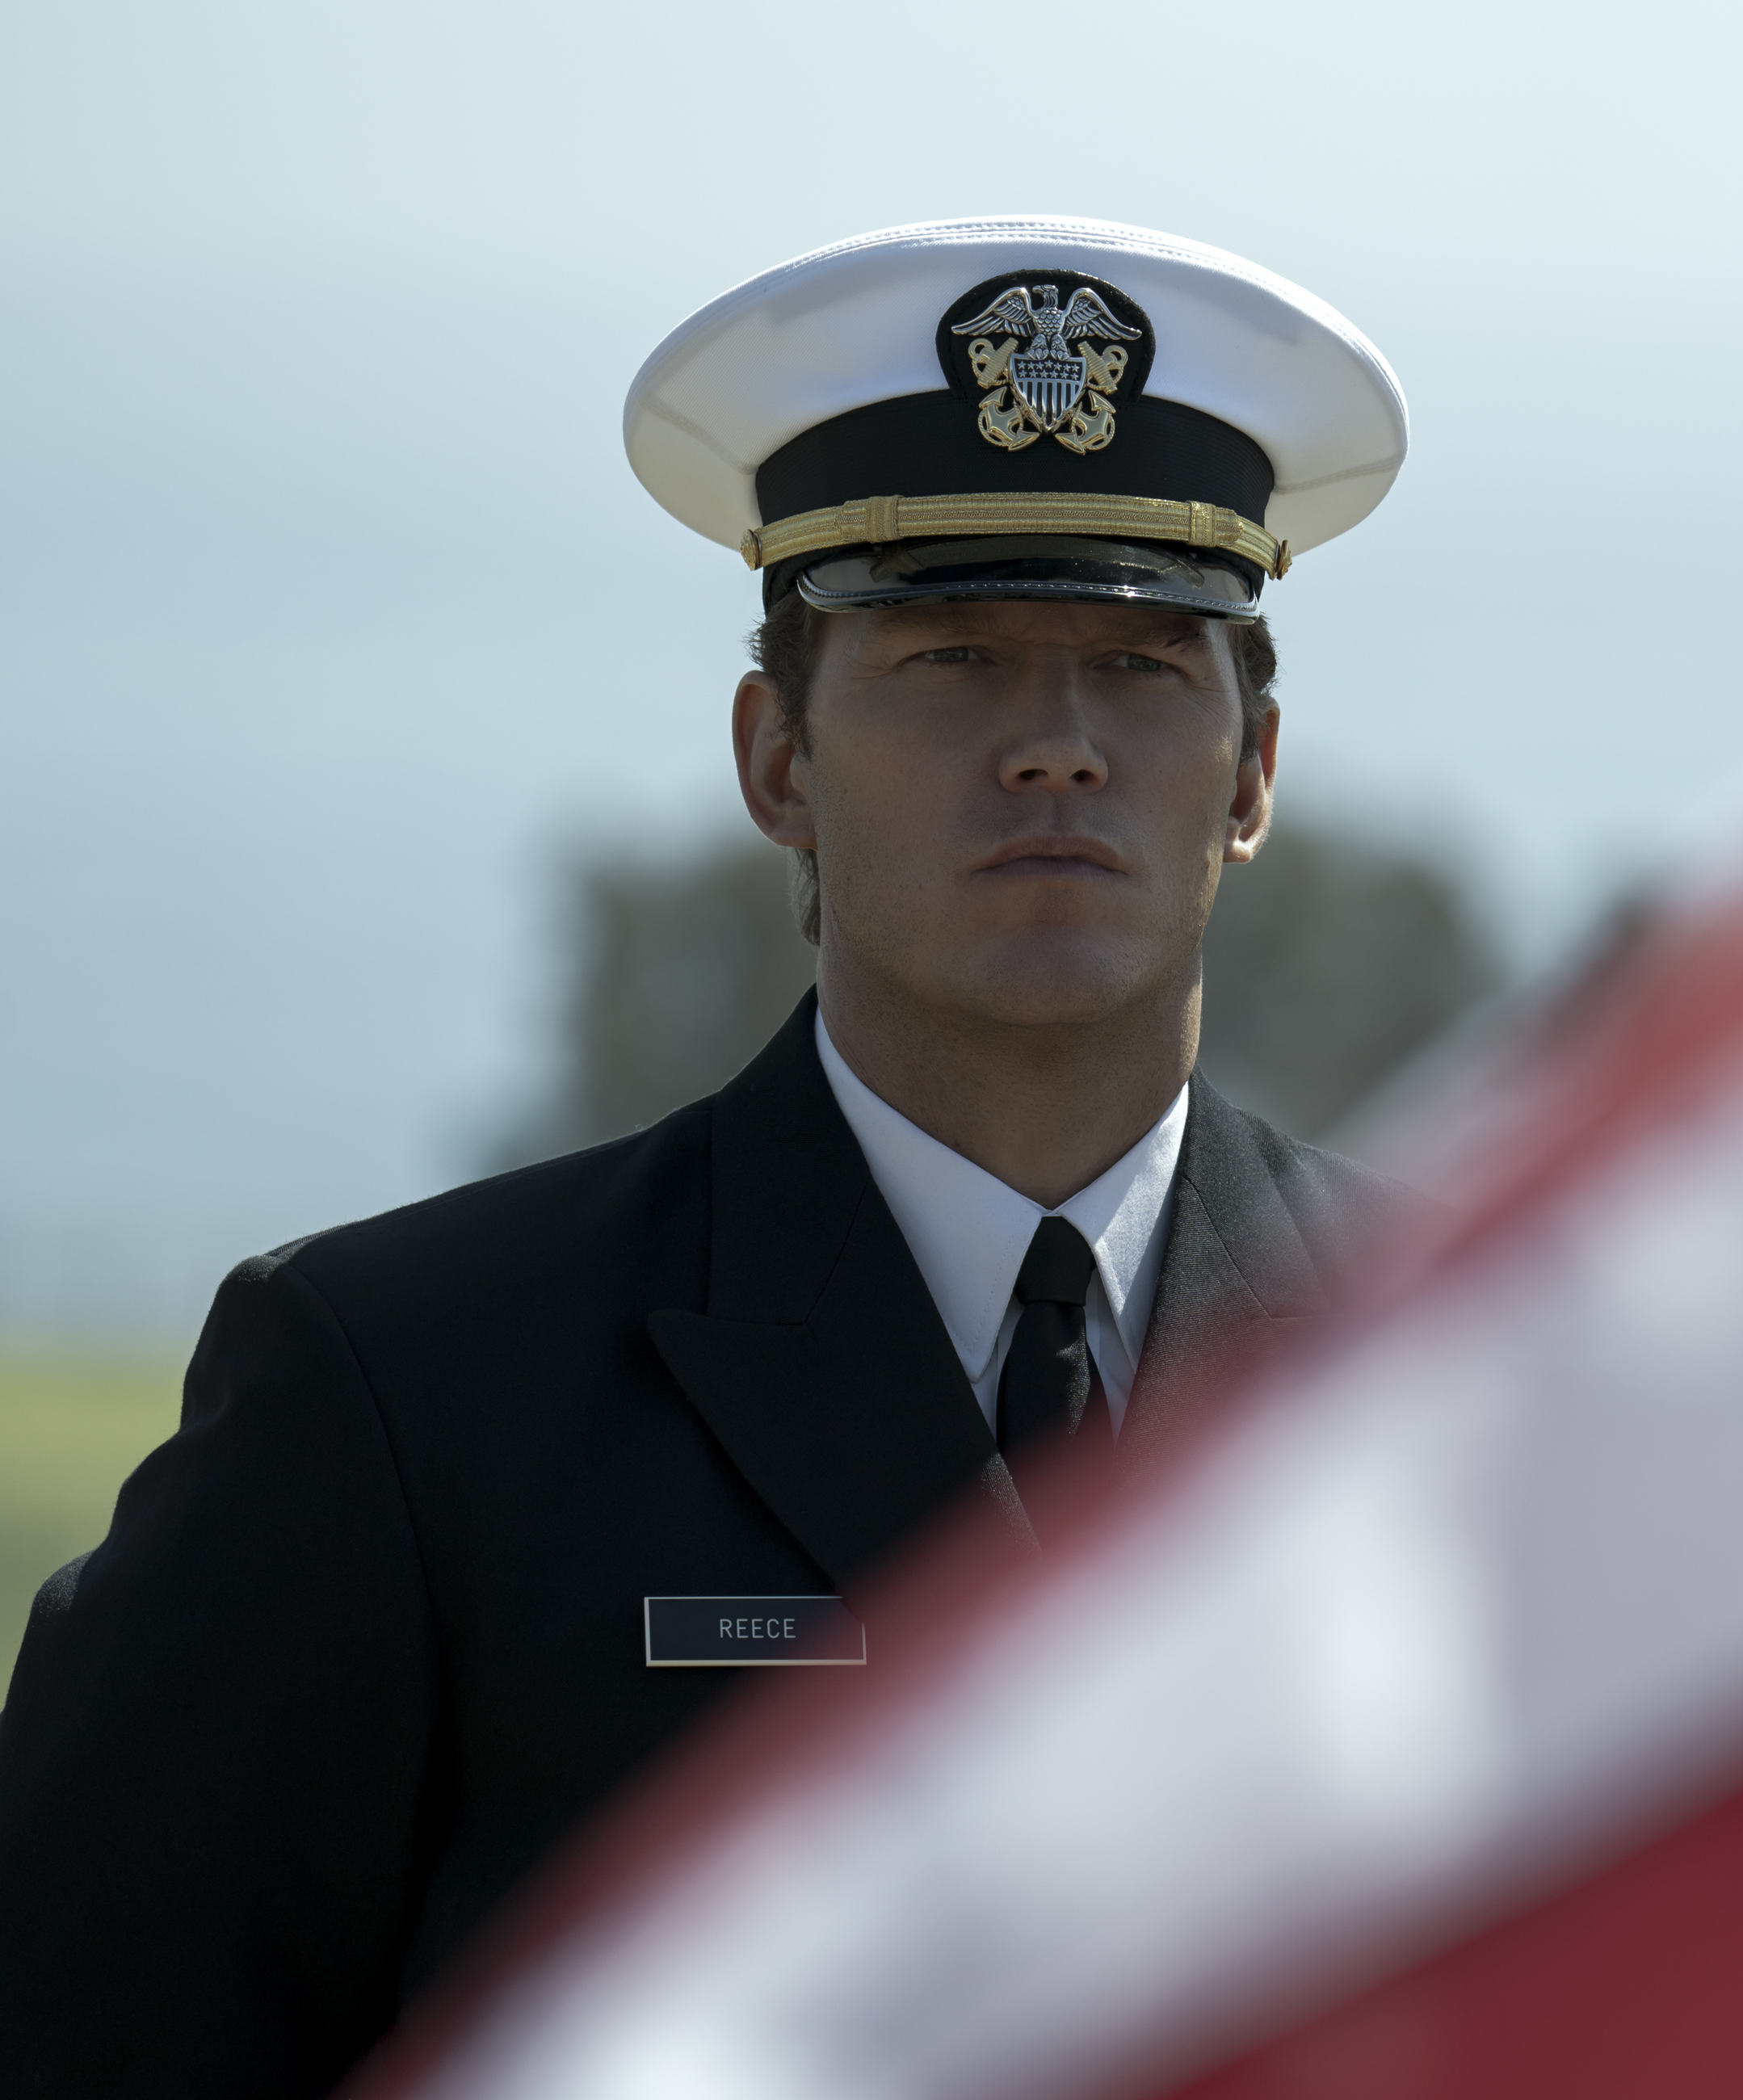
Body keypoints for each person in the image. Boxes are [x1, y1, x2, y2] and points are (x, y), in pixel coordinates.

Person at [0, 219, 1418, 2096]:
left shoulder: (1455, 1357)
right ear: (777, 761)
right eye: (953, 658)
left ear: (1249, 775)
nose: (1059, 746)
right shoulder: (396, 1396)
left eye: (1146, 670)